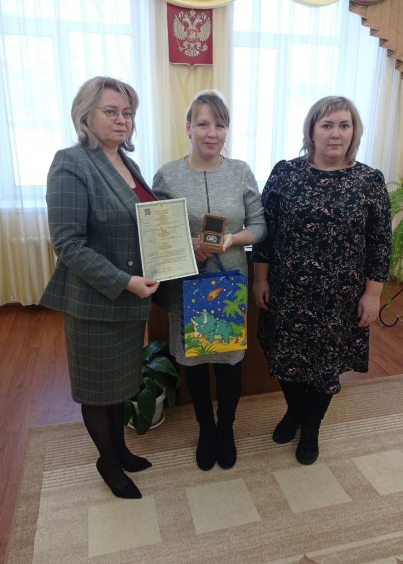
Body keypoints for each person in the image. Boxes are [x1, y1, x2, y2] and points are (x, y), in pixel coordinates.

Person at [252, 96, 391, 465]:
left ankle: (310, 426)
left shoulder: (369, 181)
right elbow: (266, 232)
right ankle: (294, 411)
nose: (335, 133)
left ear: (354, 132)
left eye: (344, 125)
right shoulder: (285, 173)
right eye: (327, 125)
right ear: (311, 131)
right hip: (287, 290)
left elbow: (380, 242)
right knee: (285, 357)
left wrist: (373, 294)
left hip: (340, 297)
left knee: (326, 364)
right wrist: (260, 279)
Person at [40, 76, 160, 499]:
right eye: (111, 111)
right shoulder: (71, 162)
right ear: (85, 114)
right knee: (97, 389)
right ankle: (107, 461)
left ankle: (120, 449)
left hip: (131, 300)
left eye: (128, 112)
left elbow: (144, 220)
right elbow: (68, 244)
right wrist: (125, 281)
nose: (122, 120)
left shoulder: (127, 162)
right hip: (96, 299)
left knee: (119, 384)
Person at [152, 90, 266, 471]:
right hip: (185, 283)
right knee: (195, 361)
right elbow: (156, 229)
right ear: (188, 128)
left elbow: (260, 225)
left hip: (228, 281)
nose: (211, 132)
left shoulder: (241, 172)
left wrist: (232, 239)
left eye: (219, 124)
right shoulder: (167, 175)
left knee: (230, 361)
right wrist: (188, 244)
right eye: (203, 123)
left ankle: (226, 427)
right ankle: (205, 428)